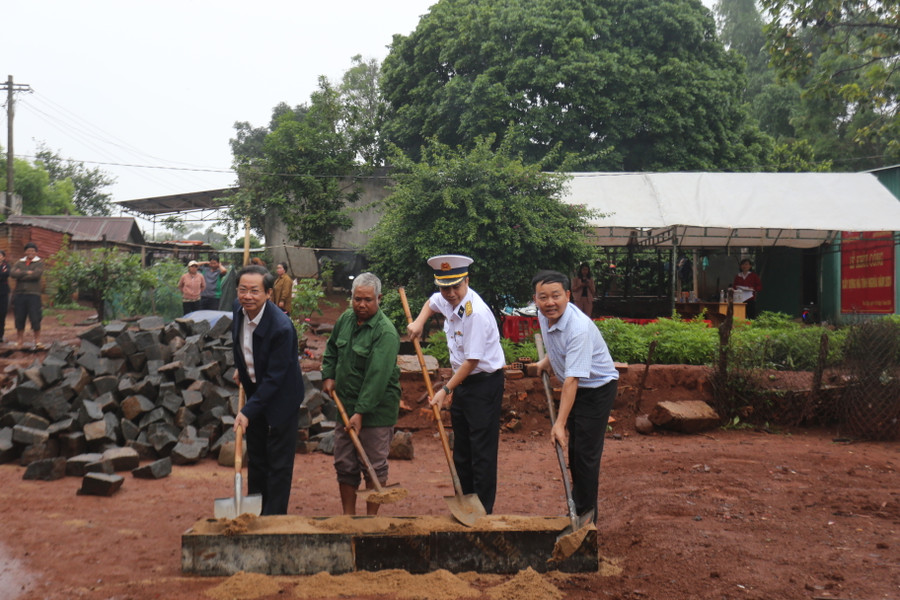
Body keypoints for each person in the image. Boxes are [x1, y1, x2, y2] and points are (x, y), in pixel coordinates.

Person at [406, 254, 506, 513]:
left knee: (481, 451)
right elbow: (432, 302)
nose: (449, 293)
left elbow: (472, 362)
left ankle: (483, 511)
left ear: (467, 281)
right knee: (462, 448)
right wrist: (419, 321)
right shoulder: (446, 298)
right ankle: (465, 504)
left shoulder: (476, 314)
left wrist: (446, 389)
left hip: (483, 383)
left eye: (455, 287)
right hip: (463, 382)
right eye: (444, 287)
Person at [532, 269, 618, 524]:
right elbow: (558, 345)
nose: (550, 303)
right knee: (575, 455)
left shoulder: (579, 328)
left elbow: (572, 381)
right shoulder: (542, 315)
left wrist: (559, 424)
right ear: (535, 299)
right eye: (543, 297)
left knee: (585, 456)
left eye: (556, 295)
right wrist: (547, 361)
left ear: (568, 295)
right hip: (578, 388)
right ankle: (580, 511)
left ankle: (586, 520)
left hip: (596, 389)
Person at [321, 273, 401, 515]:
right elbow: (332, 348)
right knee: (344, 463)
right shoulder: (346, 319)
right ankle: (348, 516)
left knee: (373, 465)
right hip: (344, 404)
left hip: (375, 411)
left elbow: (377, 378)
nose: (361, 305)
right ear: (351, 298)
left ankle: (370, 521)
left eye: (367, 300)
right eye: (357, 299)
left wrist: (361, 412)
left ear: (379, 299)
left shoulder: (385, 332)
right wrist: (329, 374)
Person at [231, 264, 303, 515]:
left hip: (282, 397)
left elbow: (275, 377)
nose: (247, 296)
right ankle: (254, 511)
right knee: (258, 458)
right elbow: (241, 346)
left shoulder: (281, 327)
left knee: (279, 463)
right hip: (255, 392)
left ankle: (274, 519)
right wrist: (242, 367)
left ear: (268, 294)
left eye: (254, 291)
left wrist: (247, 412)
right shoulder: (238, 312)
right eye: (243, 290)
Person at [10, 243, 45, 350]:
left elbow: (36, 275)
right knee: (19, 318)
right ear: (25, 252)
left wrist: (21, 274)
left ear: (36, 252)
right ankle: (19, 341)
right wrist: (27, 273)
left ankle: (37, 341)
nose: (31, 253)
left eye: (33, 251)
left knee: (35, 318)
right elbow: (12, 273)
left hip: (33, 294)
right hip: (19, 294)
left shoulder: (39, 263)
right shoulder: (19, 262)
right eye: (29, 251)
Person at [0, 250, 10, 344]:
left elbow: (5, 274)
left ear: (3, 257)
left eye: (0, 256)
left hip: (3, 293)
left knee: (2, 314)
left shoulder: (5, 266)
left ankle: (0, 336)